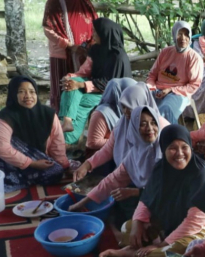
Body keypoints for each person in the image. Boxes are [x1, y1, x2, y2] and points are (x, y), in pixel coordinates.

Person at [98, 125, 205, 257]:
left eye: (184, 147)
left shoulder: (201, 176)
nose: (179, 153)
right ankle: (149, 247)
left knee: (165, 255)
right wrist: (137, 223)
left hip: (203, 230)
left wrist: (159, 246)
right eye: (172, 148)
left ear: (191, 147)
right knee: (128, 229)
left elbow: (194, 222)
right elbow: (148, 197)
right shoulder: (161, 168)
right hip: (172, 223)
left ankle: (129, 253)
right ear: (163, 149)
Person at [68, 106, 166, 226]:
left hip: (170, 205)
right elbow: (112, 180)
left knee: (133, 228)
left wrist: (133, 192)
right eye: (143, 124)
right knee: (124, 222)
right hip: (149, 199)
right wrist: (80, 204)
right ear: (134, 128)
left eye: (153, 123)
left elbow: (168, 190)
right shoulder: (135, 153)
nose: (150, 129)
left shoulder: (165, 150)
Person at [0, 76, 69, 192]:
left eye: (32, 91)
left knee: (56, 171)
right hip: (9, 163)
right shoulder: (5, 117)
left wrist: (63, 165)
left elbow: (57, 142)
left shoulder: (48, 114)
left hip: (38, 159)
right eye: (21, 92)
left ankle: (27, 178)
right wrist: (31, 163)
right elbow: (1, 148)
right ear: (13, 94)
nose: (28, 96)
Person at [73, 82, 167, 181]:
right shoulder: (122, 124)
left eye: (129, 107)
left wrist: (136, 191)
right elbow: (108, 149)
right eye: (123, 107)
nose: (125, 112)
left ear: (140, 103)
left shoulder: (160, 126)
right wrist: (87, 165)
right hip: (126, 174)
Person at [58, 17, 132, 145]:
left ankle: (68, 140)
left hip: (111, 95)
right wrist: (71, 77)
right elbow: (85, 71)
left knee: (77, 100)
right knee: (71, 88)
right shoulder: (95, 49)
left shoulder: (118, 57)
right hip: (94, 89)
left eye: (95, 32)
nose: (93, 34)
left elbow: (111, 85)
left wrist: (80, 84)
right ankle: (68, 126)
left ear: (105, 33)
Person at [42, 0, 98, 112]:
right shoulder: (54, 3)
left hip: (84, 53)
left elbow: (96, 25)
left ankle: (76, 117)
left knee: (80, 86)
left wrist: (90, 45)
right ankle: (60, 121)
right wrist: (69, 45)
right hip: (61, 54)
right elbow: (48, 29)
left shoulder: (85, 3)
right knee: (62, 87)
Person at [146, 21, 203, 125]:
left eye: (186, 34)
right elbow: (152, 75)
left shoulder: (194, 58)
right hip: (157, 90)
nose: (183, 38)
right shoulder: (165, 52)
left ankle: (168, 138)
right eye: (179, 33)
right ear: (174, 34)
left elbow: (193, 85)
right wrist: (151, 88)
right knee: (138, 102)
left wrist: (171, 89)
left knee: (165, 109)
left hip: (178, 93)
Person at [86, 77, 138, 152]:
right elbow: (93, 142)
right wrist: (122, 142)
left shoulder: (127, 110)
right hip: (103, 158)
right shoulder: (102, 113)